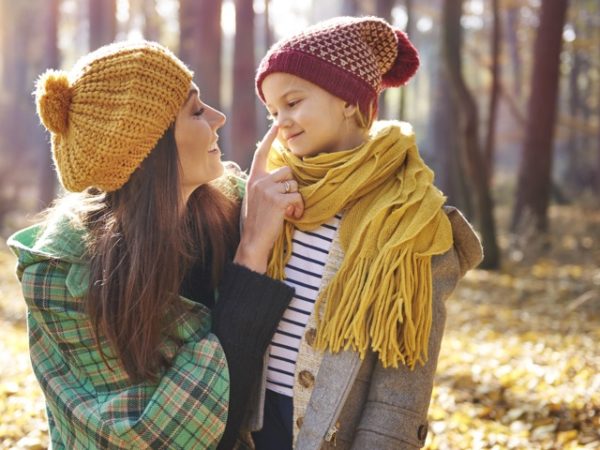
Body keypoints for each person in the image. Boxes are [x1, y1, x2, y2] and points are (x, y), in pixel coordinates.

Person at [7, 40, 304, 450]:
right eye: (196, 111)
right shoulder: (62, 275)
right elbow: (168, 438)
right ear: (150, 151)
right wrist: (251, 253)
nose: (218, 118)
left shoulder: (235, 206)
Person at [242, 16, 484, 449]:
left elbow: (402, 386)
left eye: (293, 102)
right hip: (248, 427)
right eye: (273, 111)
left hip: (328, 434)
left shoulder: (413, 219)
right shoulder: (272, 194)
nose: (282, 122)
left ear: (349, 100)